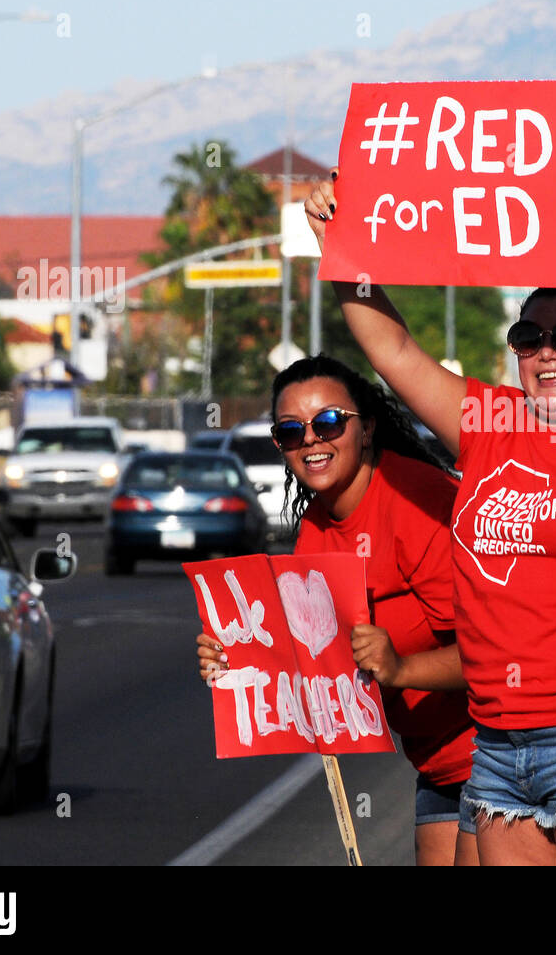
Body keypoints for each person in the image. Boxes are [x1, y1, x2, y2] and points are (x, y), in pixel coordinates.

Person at [306, 161, 556, 865]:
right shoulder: (491, 423)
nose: (546, 353)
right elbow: (394, 349)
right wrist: (343, 247)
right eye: (530, 337)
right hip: (501, 743)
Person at [194, 355, 478, 866]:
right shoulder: (315, 535)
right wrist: (235, 661)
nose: (311, 440)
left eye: (328, 422)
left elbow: (501, 653)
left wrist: (403, 669)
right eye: (290, 431)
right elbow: (313, 669)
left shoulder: (417, 500)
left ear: (365, 428)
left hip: (504, 765)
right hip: (438, 768)